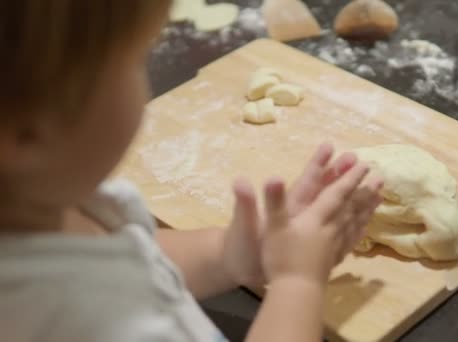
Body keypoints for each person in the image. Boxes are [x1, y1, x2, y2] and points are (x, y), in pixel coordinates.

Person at [0, 1, 384, 341]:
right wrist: (297, 284)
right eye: (135, 61)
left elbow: (134, 254)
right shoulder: (89, 324)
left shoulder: (50, 206)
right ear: (25, 136)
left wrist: (227, 254)